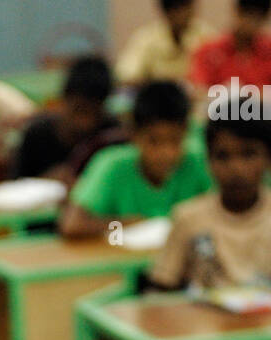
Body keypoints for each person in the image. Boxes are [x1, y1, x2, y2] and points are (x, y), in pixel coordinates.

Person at [148, 99, 271, 290]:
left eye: (248, 154)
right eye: (222, 156)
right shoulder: (188, 217)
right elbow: (160, 290)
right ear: (208, 161)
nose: (236, 168)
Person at [60, 81, 210, 239]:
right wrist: (127, 224)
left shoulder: (197, 163)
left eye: (175, 140)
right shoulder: (111, 165)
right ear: (134, 135)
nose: (166, 153)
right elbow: (72, 224)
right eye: (154, 141)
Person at [11, 57, 120, 183]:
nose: (85, 123)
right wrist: (46, 181)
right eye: (80, 110)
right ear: (64, 100)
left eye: (94, 113)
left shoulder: (111, 135)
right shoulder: (36, 135)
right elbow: (14, 186)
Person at [116, 0, 214, 86]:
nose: (193, 13)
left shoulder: (205, 35)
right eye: (189, 8)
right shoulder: (146, 38)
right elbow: (126, 75)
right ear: (171, 11)